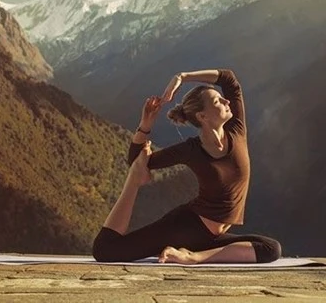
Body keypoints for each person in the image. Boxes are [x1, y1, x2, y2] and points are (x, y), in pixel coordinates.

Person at [92, 69, 282, 264]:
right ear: (202, 116)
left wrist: (182, 77)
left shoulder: (237, 130)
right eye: (218, 101)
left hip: (211, 239)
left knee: (270, 249)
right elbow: (137, 161)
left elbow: (229, 80)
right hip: (184, 229)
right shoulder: (191, 150)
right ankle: (134, 187)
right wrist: (145, 125)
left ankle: (194, 256)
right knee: (106, 250)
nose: (227, 102)